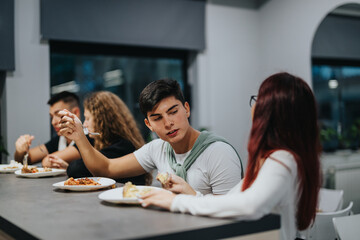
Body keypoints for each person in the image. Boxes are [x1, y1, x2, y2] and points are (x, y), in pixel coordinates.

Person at [139, 72, 321, 240]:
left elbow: (248, 206)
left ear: (271, 111)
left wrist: (176, 202)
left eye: (259, 99)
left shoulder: (283, 159)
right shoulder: (280, 158)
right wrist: (191, 194)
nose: (254, 106)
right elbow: (232, 201)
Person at [58, 79, 243, 195]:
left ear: (186, 109)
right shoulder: (158, 148)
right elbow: (107, 168)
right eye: (157, 118)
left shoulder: (219, 153)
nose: (168, 123)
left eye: (173, 112)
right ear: (149, 124)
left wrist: (192, 196)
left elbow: (232, 213)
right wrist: (80, 138)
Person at [50, 91, 151, 185]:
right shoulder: (101, 142)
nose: (85, 124)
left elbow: (76, 168)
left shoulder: (123, 145)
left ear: (103, 120)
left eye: (88, 118)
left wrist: (69, 166)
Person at [14, 91, 83, 165]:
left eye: (58, 114)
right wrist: (20, 150)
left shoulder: (87, 138)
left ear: (75, 112)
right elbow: (27, 159)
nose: (53, 122)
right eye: (51, 117)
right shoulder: (61, 139)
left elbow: (47, 162)